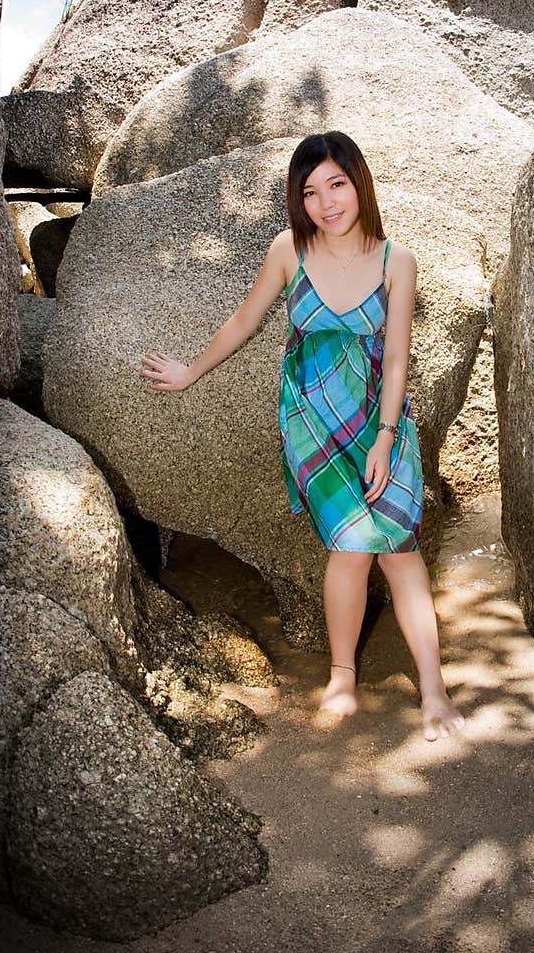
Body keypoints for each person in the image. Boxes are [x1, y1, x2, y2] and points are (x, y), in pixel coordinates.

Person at [139, 131, 464, 742]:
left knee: (398, 550)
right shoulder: (289, 249)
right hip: (312, 424)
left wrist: (387, 438)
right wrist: (188, 373)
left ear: (358, 182)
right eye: (310, 192)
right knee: (350, 544)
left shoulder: (397, 261)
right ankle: (342, 676)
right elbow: (245, 319)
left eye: (336, 184)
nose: (326, 202)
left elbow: (396, 359)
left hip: (379, 419)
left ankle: (434, 688)